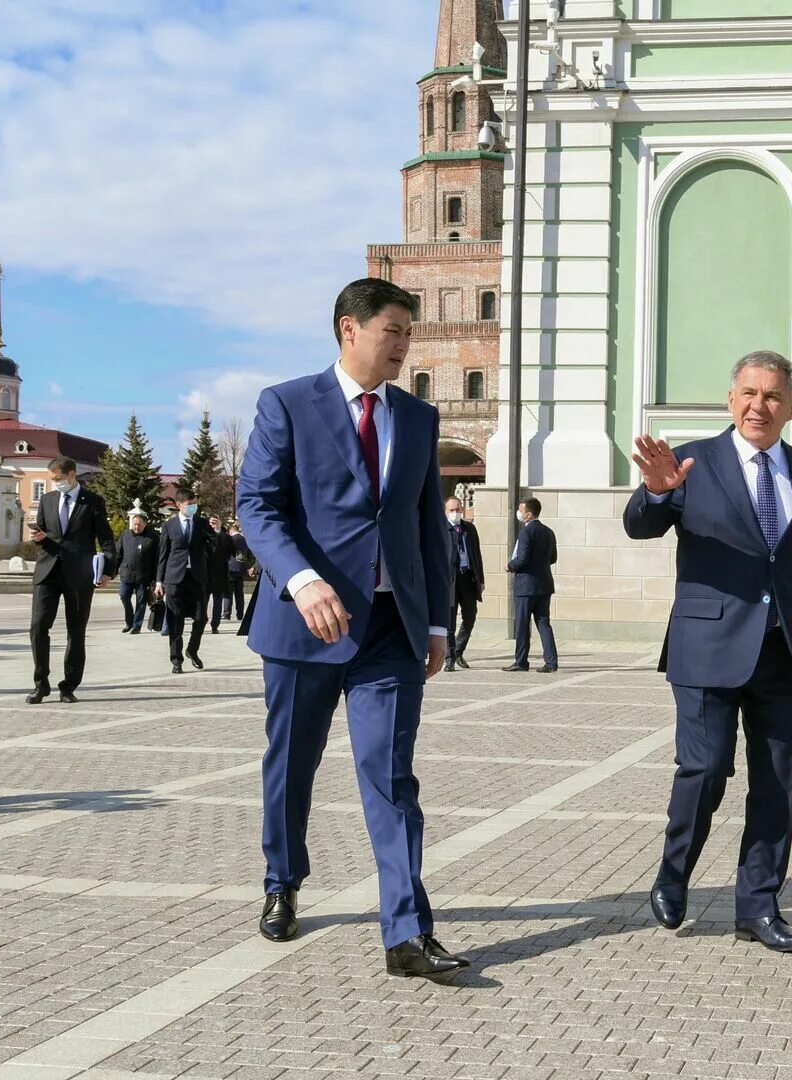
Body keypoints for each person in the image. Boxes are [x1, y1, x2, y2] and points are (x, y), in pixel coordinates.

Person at [237, 277, 465, 981]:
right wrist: (301, 581)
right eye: (392, 331)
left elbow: (428, 529)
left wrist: (435, 622)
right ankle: (283, 879)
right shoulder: (286, 404)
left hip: (390, 631)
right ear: (349, 329)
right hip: (305, 626)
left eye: (408, 333)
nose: (403, 345)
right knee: (292, 765)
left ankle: (406, 932)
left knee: (391, 777)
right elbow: (257, 505)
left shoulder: (418, 420)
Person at [624, 350, 792, 953]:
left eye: (773, 396)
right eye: (749, 393)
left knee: (774, 781)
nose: (760, 405)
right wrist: (655, 492)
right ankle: (675, 874)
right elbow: (640, 525)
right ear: (731, 400)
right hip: (706, 646)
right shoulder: (693, 462)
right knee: (705, 769)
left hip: (782, 651)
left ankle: (758, 907)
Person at [27, 458, 114, 705]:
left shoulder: (93, 502)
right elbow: (42, 535)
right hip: (48, 572)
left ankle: (68, 685)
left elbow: (106, 540)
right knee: (37, 626)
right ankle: (40, 684)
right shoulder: (47, 500)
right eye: (52, 480)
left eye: (57, 479)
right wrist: (38, 537)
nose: (55, 484)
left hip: (79, 574)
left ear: (71, 475)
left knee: (76, 632)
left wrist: (108, 570)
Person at [155, 489, 213, 674]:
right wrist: (158, 581)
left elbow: (215, 544)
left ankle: (192, 650)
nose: (193, 506)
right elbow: (163, 555)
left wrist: (217, 532)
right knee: (175, 619)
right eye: (189, 503)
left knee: (201, 617)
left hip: (196, 577)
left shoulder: (202, 523)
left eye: (194, 503)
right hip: (174, 578)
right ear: (179, 505)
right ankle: (176, 659)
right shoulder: (169, 526)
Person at [504, 498, 558, 673]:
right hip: (544, 585)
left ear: (528, 514)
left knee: (522, 624)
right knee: (544, 623)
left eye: (521, 510)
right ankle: (551, 662)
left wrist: (510, 566)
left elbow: (522, 558)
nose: (518, 513)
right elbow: (553, 558)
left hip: (526, 586)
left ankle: (521, 661)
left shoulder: (526, 532)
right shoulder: (548, 532)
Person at [443, 496, 483, 672]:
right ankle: (450, 658)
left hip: (467, 578)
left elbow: (477, 555)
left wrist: (481, 579)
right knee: (449, 621)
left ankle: (458, 650)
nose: (456, 513)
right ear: (445, 512)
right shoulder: (441, 530)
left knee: (470, 616)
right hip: (449, 580)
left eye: (458, 509)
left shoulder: (469, 529)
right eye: (451, 510)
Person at [116, 506, 159, 634]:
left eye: (139, 525)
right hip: (126, 574)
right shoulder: (125, 535)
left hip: (143, 576)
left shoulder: (153, 538)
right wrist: (112, 571)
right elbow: (118, 553)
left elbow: (157, 559)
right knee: (124, 596)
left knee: (141, 601)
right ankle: (129, 622)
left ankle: (137, 625)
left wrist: (156, 578)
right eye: (135, 524)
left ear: (145, 524)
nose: (136, 527)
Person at [207, 515, 236, 633]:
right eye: (211, 522)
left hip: (220, 574)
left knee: (218, 602)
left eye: (215, 521)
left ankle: (215, 625)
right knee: (202, 602)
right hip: (205, 574)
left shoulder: (226, 538)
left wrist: (218, 530)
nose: (213, 524)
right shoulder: (204, 536)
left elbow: (234, 552)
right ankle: (201, 621)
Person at [226, 521, 253, 621]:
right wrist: (249, 566)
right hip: (241, 569)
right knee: (239, 593)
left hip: (230, 568)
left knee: (228, 593)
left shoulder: (229, 539)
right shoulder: (245, 540)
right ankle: (240, 614)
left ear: (230, 531)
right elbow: (249, 554)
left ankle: (227, 613)